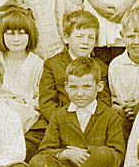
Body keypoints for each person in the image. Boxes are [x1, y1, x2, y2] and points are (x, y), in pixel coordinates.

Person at [28, 56, 127, 167]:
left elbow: (117, 154)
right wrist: (65, 153)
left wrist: (90, 153)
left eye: (86, 87)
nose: (80, 93)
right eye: (74, 87)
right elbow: (45, 150)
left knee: (104, 153)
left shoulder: (110, 115)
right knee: (37, 161)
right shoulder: (59, 115)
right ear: (67, 87)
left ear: (99, 87)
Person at [37, 10, 113, 138]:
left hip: (91, 125)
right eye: (80, 36)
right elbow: (47, 103)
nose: (85, 42)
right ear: (67, 38)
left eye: (91, 38)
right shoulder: (52, 64)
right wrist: (64, 124)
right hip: (58, 123)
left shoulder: (101, 67)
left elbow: (104, 102)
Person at [0, 3, 45, 144]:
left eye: (22, 33)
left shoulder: (37, 64)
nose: (16, 39)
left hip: (25, 115)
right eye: (10, 34)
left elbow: (41, 97)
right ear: (1, 36)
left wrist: (24, 101)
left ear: (30, 35)